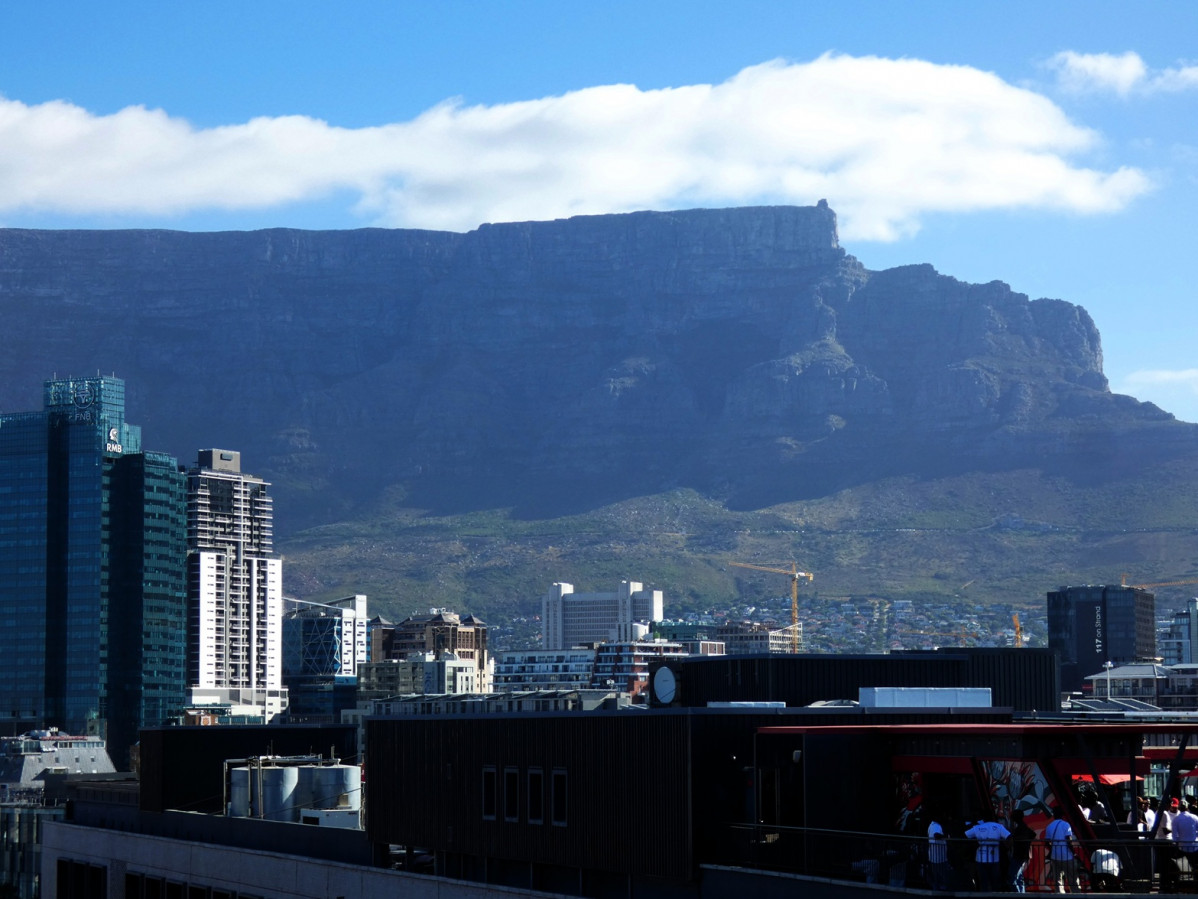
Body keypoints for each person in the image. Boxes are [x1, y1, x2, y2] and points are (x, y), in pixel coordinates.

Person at [965, 813, 1011, 892]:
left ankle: (984, 894)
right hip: (994, 859)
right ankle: (994, 894)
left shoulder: (978, 827)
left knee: (983, 881)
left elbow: (966, 835)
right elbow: (1009, 836)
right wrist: (1007, 848)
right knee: (995, 881)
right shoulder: (999, 827)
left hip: (980, 859)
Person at [1045, 806, 1080, 893]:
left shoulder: (1049, 826)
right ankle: (1076, 895)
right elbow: (1069, 840)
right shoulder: (1066, 825)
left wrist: (1052, 849)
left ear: (1054, 815)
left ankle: (1059, 895)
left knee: (1057, 879)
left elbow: (1047, 842)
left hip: (1055, 856)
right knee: (1072, 878)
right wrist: (1074, 853)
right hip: (1067, 856)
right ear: (1062, 815)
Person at [1008, 809, 1036, 893]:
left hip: (1019, 854)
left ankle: (1017, 894)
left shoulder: (1020, 828)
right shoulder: (1023, 826)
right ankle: (1022, 893)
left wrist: (1017, 840)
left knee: (1013, 876)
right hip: (1023, 854)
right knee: (1019, 877)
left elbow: (1030, 835)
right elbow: (1033, 835)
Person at [927, 817, 952, 891]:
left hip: (934, 855)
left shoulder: (931, 825)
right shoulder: (936, 826)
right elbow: (936, 835)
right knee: (941, 873)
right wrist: (946, 836)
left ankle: (936, 887)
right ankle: (941, 888)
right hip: (939, 856)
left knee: (935, 873)